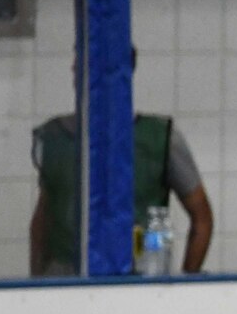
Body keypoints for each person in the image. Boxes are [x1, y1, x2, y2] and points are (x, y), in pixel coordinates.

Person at [30, 53, 215, 276]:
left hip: (142, 277)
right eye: (78, 67)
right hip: (64, 281)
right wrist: (36, 285)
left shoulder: (161, 139)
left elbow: (202, 217)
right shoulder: (55, 138)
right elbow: (43, 219)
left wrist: (187, 282)